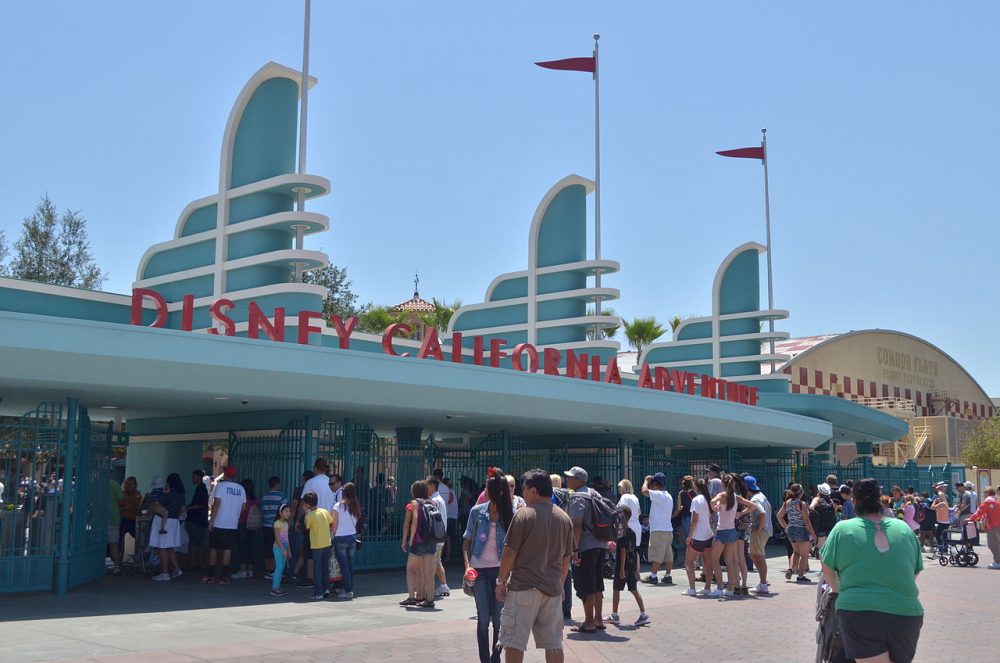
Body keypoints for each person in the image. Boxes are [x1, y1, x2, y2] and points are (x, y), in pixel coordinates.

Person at [820, 478, 924, 663]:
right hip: (906, 612)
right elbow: (913, 571)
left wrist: (840, 591)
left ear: (854, 501)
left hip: (859, 612)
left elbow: (827, 571)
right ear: (880, 500)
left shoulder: (842, 529)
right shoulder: (904, 530)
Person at [496, 469, 574, 662]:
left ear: (534, 491)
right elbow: (567, 557)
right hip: (552, 589)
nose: (522, 493)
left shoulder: (524, 515)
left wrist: (501, 581)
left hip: (523, 587)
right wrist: (561, 582)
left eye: (524, 489)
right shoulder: (564, 518)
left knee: (514, 642)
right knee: (554, 643)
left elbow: (509, 552)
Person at [464, 468, 514, 663]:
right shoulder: (477, 512)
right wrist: (468, 565)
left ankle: (496, 657)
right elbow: (467, 541)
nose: (484, 492)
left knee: (498, 619)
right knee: (483, 618)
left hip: (501, 573)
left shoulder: (510, 514)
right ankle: (485, 659)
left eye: (487, 489)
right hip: (479, 571)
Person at [564, 466, 608, 631]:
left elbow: (576, 524)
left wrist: (574, 550)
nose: (567, 480)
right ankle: (598, 620)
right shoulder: (595, 493)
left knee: (586, 584)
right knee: (597, 583)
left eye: (570, 477)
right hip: (600, 543)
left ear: (579, 481)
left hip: (586, 546)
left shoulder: (578, 497)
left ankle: (589, 622)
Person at [710, 473, 757, 597]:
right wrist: (741, 513)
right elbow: (753, 506)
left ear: (723, 483)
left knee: (714, 560)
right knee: (730, 562)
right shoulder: (736, 497)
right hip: (733, 531)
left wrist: (715, 507)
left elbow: (712, 501)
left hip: (722, 531)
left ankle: (720, 588)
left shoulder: (722, 495)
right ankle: (730, 589)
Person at [605, 505, 649, 627]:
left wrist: (621, 569)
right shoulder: (632, 532)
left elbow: (623, 550)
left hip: (623, 565)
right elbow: (634, 551)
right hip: (631, 565)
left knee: (616, 589)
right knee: (634, 589)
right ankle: (643, 613)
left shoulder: (622, 533)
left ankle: (614, 614)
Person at [201, 466, 246, 585]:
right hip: (232, 524)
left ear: (225, 475)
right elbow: (243, 507)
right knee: (228, 549)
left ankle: (210, 576)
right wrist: (234, 515)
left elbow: (217, 504)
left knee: (213, 548)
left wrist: (212, 521)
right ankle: (223, 576)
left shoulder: (220, 486)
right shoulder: (241, 489)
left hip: (219, 523)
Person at [401, 479, 438, 608]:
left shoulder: (414, 503)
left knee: (410, 569)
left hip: (419, 540)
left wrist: (408, 539)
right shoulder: (432, 503)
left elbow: (410, 522)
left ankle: (412, 597)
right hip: (432, 540)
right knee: (428, 572)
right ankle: (429, 599)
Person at [682, 478, 718, 596]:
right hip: (708, 535)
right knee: (708, 562)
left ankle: (692, 588)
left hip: (697, 536)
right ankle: (707, 587)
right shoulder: (708, 500)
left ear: (696, 487)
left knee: (688, 562)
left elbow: (695, 520)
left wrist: (689, 536)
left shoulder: (696, 500)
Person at [775, 483, 816, 583]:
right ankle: (801, 576)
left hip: (791, 530)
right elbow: (806, 521)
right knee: (805, 555)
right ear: (801, 493)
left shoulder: (787, 502)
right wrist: (813, 533)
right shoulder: (802, 504)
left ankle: (791, 568)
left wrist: (786, 527)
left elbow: (779, 516)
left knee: (796, 552)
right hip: (801, 530)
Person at [640, 472, 674, 585]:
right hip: (668, 529)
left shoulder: (659, 495)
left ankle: (653, 576)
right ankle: (668, 575)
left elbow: (644, 491)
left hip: (659, 530)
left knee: (657, 554)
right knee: (668, 554)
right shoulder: (668, 495)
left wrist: (646, 480)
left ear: (655, 484)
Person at [150, 473, 186, 581]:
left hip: (163, 520)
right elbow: (183, 509)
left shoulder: (166, 493)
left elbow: (157, 505)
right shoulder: (181, 494)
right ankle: (177, 569)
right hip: (174, 521)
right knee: (170, 548)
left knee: (162, 547)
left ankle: (165, 572)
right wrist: (176, 517)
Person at [332, 482, 362, 599]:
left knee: (343, 564)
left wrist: (332, 535)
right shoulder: (355, 506)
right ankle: (348, 587)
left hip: (340, 536)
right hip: (352, 536)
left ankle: (348, 589)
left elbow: (335, 524)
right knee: (349, 564)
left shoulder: (338, 506)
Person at [302, 492, 333, 600]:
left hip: (316, 545)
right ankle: (326, 588)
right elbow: (330, 522)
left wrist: (306, 513)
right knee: (325, 568)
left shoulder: (309, 516)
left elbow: (306, 527)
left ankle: (318, 592)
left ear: (307, 504)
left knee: (317, 569)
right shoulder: (324, 511)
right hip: (327, 543)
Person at [745, 475, 772, 595]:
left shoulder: (755, 499)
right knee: (753, 554)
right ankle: (763, 582)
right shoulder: (761, 496)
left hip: (760, 531)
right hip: (764, 530)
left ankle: (763, 583)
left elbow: (762, 513)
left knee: (758, 556)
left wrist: (759, 526)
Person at [428, 475, 452, 598]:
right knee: (437, 562)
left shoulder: (435, 500)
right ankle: (443, 585)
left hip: (436, 537)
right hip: (440, 536)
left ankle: (430, 588)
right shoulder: (439, 499)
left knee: (432, 563)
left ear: (432, 486)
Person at [231, 478, 259, 580]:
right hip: (252, 526)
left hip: (242, 524)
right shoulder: (255, 499)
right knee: (250, 547)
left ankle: (242, 570)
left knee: (242, 547)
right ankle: (249, 570)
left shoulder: (242, 498)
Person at [289, 469, 313, 585]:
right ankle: (300, 573)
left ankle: (291, 574)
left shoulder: (299, 490)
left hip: (300, 524)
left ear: (304, 479)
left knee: (294, 550)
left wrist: (292, 521)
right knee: (306, 551)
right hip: (310, 525)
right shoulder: (314, 490)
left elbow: (294, 506)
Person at [260, 476, 286, 580]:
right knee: (277, 548)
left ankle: (268, 570)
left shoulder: (264, 496)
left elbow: (262, 509)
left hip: (266, 525)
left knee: (267, 548)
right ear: (277, 484)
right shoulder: (282, 495)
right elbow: (284, 510)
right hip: (278, 526)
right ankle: (276, 570)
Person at [969, 485, 1000, 569]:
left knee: (992, 544)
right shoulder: (995, 500)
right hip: (997, 524)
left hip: (992, 525)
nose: (983, 495)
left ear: (987, 493)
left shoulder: (988, 501)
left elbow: (980, 511)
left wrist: (971, 518)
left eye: (984, 493)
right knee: (997, 543)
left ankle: (998, 561)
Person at [186, 469, 209, 573]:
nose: (192, 479)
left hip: (196, 520)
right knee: (199, 543)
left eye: (194, 477)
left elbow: (199, 504)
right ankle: (199, 563)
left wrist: (187, 508)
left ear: (198, 477)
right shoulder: (202, 488)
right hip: (201, 520)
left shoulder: (200, 489)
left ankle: (194, 563)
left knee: (193, 543)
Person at [672, 475, 695, 567]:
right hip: (695, 517)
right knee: (695, 540)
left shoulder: (681, 493)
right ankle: (695, 562)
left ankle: (688, 562)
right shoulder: (696, 493)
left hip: (686, 518)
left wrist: (671, 517)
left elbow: (679, 509)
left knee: (688, 541)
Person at [118, 476, 142, 566]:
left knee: (140, 538)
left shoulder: (137, 494)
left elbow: (138, 505)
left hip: (133, 520)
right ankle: (119, 561)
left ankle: (139, 557)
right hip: (123, 519)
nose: (129, 486)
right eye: (128, 484)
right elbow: (118, 506)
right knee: (120, 541)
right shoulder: (122, 494)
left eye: (132, 484)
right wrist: (124, 508)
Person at [269, 503, 291, 597]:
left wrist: (289, 550)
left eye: (289, 511)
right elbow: (277, 538)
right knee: (279, 567)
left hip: (284, 548)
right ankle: (274, 588)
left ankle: (278, 587)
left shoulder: (286, 523)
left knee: (281, 568)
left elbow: (287, 537)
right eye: (286, 511)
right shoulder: (277, 523)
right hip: (278, 548)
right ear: (280, 512)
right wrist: (282, 549)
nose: (288, 513)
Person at [811, 483, 838, 552]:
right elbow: (834, 512)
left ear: (819, 491)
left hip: (820, 528)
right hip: (830, 527)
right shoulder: (830, 501)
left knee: (821, 550)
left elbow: (811, 508)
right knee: (827, 549)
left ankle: (823, 563)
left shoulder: (817, 499)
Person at [616, 479, 641, 546]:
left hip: (627, 526)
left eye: (620, 487)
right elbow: (639, 512)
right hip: (637, 526)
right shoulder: (635, 497)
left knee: (624, 549)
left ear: (624, 487)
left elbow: (622, 509)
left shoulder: (624, 497)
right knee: (635, 551)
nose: (619, 489)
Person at [107, 477, 124, 575]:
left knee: (96, 544)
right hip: (113, 518)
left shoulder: (94, 482)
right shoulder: (114, 483)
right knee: (113, 543)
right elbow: (121, 500)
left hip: (97, 518)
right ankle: (116, 565)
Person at [931, 484, 950, 553]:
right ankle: (945, 549)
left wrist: (935, 501)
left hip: (943, 522)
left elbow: (932, 507)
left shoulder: (942, 503)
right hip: (945, 522)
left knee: (937, 535)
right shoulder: (944, 503)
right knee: (944, 536)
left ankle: (941, 548)